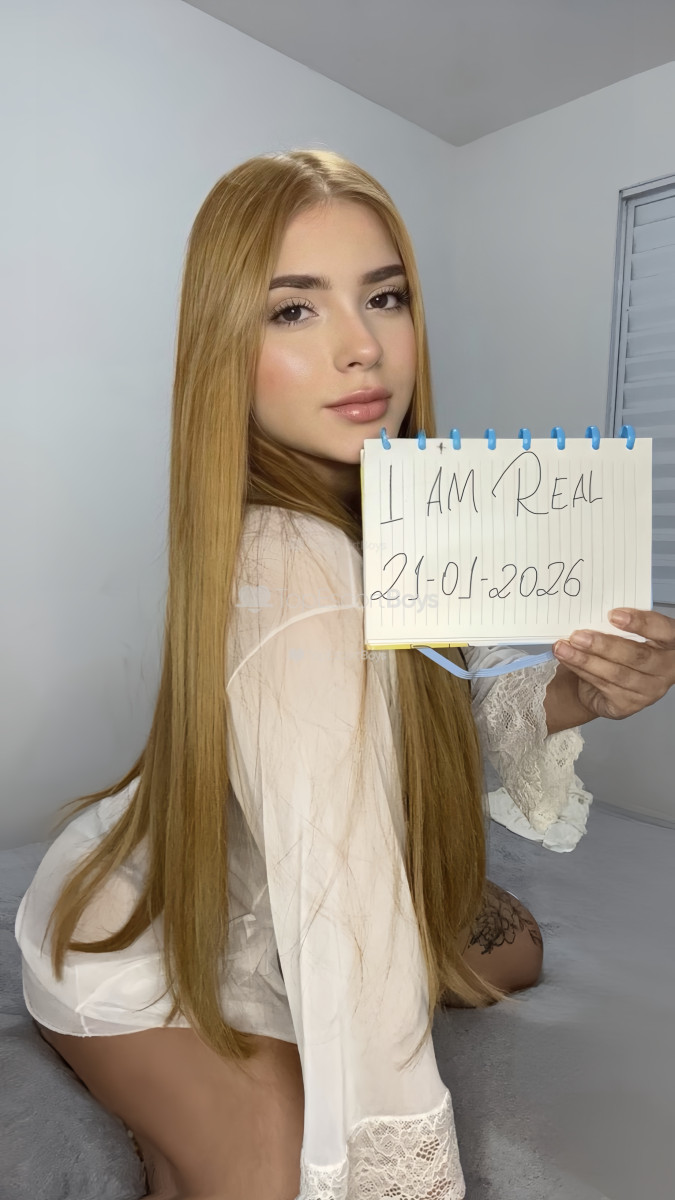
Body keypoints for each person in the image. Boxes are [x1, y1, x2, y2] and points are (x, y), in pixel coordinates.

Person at [14, 149, 675, 1200]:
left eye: (384, 297)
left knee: (519, 950)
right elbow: (350, 945)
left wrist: (577, 691)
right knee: (273, 1164)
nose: (362, 346)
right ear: (224, 345)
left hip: (265, 861)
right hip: (144, 929)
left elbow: (440, 697)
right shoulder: (296, 564)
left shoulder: (396, 509)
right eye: (293, 310)